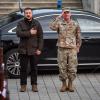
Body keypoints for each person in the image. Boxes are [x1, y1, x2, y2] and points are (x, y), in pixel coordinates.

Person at [49, 8, 82, 92]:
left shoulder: (75, 23)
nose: (66, 14)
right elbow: (52, 27)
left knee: (72, 67)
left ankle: (70, 84)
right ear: (63, 14)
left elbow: (78, 36)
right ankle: (64, 84)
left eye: (68, 13)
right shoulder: (59, 23)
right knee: (62, 67)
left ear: (70, 14)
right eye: (65, 13)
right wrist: (58, 17)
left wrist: (78, 46)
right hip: (62, 49)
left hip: (72, 49)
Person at [16, 7, 43, 92]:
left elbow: (41, 37)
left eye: (29, 13)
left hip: (34, 50)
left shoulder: (37, 23)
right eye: (26, 13)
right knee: (23, 69)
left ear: (32, 14)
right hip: (23, 50)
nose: (28, 14)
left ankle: (34, 85)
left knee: (34, 69)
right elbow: (18, 33)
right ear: (24, 14)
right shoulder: (20, 23)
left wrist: (39, 48)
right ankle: (23, 85)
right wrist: (29, 33)